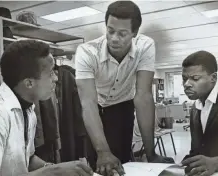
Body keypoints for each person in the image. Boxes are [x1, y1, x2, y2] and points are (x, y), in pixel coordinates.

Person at [75, 1, 174, 176]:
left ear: (134, 33)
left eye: (122, 34)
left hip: (123, 105)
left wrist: (150, 153)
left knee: (123, 161)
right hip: (95, 107)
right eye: (110, 30)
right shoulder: (87, 51)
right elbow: (88, 103)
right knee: (99, 164)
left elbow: (143, 97)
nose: (114, 38)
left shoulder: (146, 46)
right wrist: (103, 152)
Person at [0, 40, 93, 176]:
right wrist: (53, 171)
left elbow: (27, 159)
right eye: (51, 73)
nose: (56, 78)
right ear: (29, 83)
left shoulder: (27, 108)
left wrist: (59, 169)